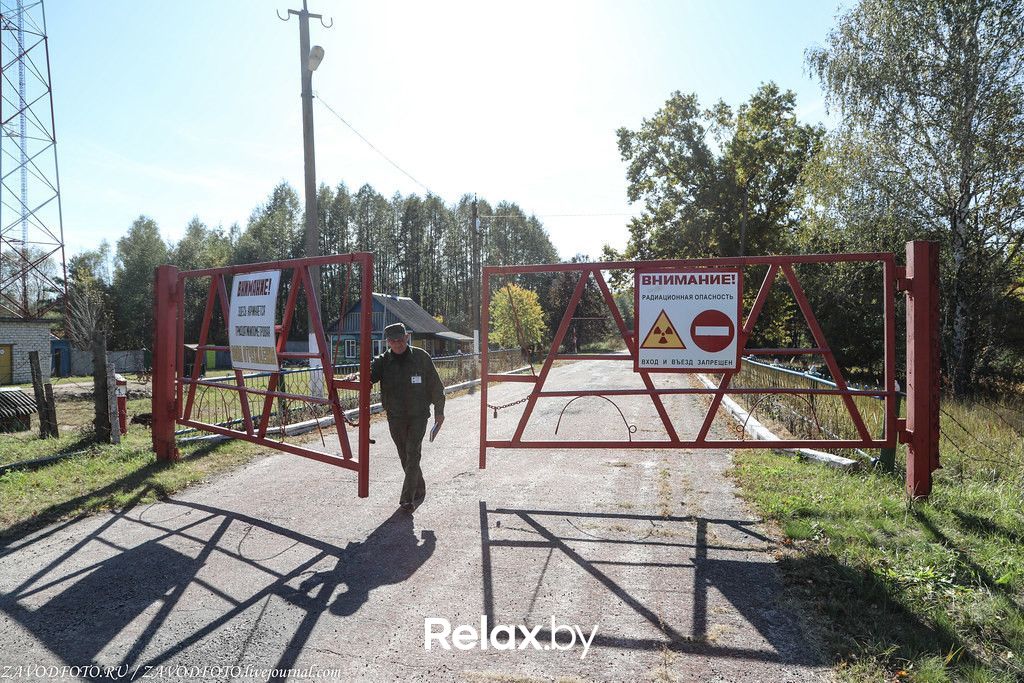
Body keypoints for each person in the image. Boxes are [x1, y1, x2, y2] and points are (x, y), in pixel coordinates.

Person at [362, 322, 445, 512]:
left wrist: (439, 411)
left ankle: (407, 499)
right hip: (395, 416)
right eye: (392, 341)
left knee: (413, 452)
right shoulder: (383, 361)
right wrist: (356, 377)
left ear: (406, 337)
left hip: (418, 416)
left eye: (400, 340)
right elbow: (369, 377)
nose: (397, 344)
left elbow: (436, 386)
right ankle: (419, 486)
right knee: (404, 454)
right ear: (388, 342)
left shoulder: (421, 358)